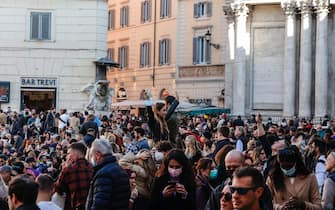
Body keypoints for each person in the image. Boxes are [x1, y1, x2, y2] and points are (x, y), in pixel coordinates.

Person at [86, 139, 130, 210]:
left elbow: (99, 205)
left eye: (91, 155)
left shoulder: (103, 174)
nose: (91, 159)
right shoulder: (120, 169)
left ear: (98, 155)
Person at [55, 142, 93, 210]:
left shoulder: (69, 169)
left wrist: (64, 169)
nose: (67, 156)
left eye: (69, 153)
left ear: (75, 154)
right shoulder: (92, 167)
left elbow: (58, 189)